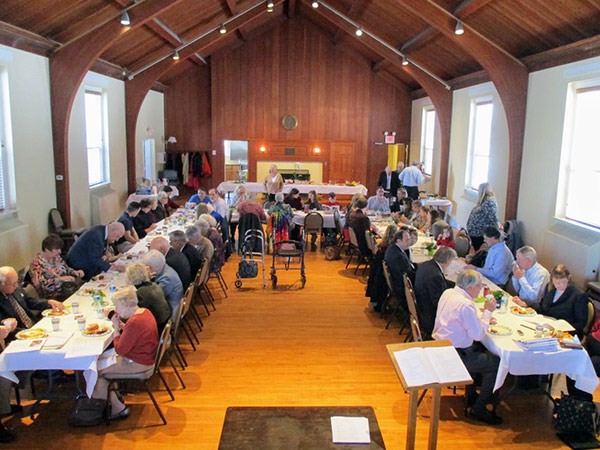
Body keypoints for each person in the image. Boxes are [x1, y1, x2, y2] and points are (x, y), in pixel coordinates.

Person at [433, 270, 502, 425]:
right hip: (454, 356)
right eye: (479, 286)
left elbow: (462, 321)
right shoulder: (465, 304)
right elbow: (477, 335)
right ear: (470, 288)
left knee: (478, 350)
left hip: (441, 347)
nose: (480, 289)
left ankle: (471, 395)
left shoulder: (448, 293)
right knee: (497, 364)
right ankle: (479, 407)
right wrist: (488, 313)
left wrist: (481, 319)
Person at [92, 286, 158, 420]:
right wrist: (122, 326)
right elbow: (133, 334)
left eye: (117, 306)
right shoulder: (145, 312)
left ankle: (117, 408)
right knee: (103, 362)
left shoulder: (134, 322)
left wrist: (116, 329)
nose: (116, 310)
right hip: (145, 356)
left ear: (127, 305)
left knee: (95, 372)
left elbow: (120, 349)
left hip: (139, 363)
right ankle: (116, 397)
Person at [515, 265, 588, 338]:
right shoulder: (550, 287)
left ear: (568, 278)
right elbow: (542, 307)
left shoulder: (578, 295)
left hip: (565, 333)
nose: (559, 285)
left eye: (563, 282)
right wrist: (526, 305)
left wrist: (561, 329)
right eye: (556, 282)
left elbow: (581, 323)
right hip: (546, 327)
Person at [0, 266, 65, 329]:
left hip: (34, 324)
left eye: (16, 282)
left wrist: (48, 302)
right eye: (13, 283)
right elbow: (4, 327)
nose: (16, 285)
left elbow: (30, 302)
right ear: (1, 284)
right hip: (20, 332)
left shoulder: (15, 288)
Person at [414, 246, 457, 338]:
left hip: (421, 305)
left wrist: (457, 286)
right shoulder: (435, 276)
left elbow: (442, 282)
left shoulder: (427, 265)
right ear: (448, 262)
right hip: (429, 315)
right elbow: (438, 302)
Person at [29, 234, 84, 300]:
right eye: (57, 249)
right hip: (53, 297)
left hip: (66, 290)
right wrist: (59, 279)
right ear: (47, 249)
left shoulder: (56, 257)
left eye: (60, 248)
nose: (59, 251)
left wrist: (74, 272)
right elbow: (42, 285)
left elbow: (66, 268)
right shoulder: (36, 264)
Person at [126, 263, 171, 332]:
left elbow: (132, 315)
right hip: (164, 322)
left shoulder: (141, 293)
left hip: (156, 327)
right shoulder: (154, 285)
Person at [141, 250, 183, 318]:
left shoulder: (167, 278)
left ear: (152, 267)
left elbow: (155, 297)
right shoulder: (164, 268)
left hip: (171, 311)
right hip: (169, 304)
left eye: (147, 267)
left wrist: (147, 279)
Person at [383, 228, 416, 300]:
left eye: (409, 239)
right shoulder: (398, 256)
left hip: (397, 280)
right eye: (406, 240)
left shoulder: (393, 248)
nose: (409, 242)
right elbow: (408, 275)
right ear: (398, 241)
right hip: (401, 286)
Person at [466, 183, 498, 251]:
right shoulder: (485, 202)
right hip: (476, 232)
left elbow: (493, 219)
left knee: (480, 252)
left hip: (479, 233)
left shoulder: (489, 203)